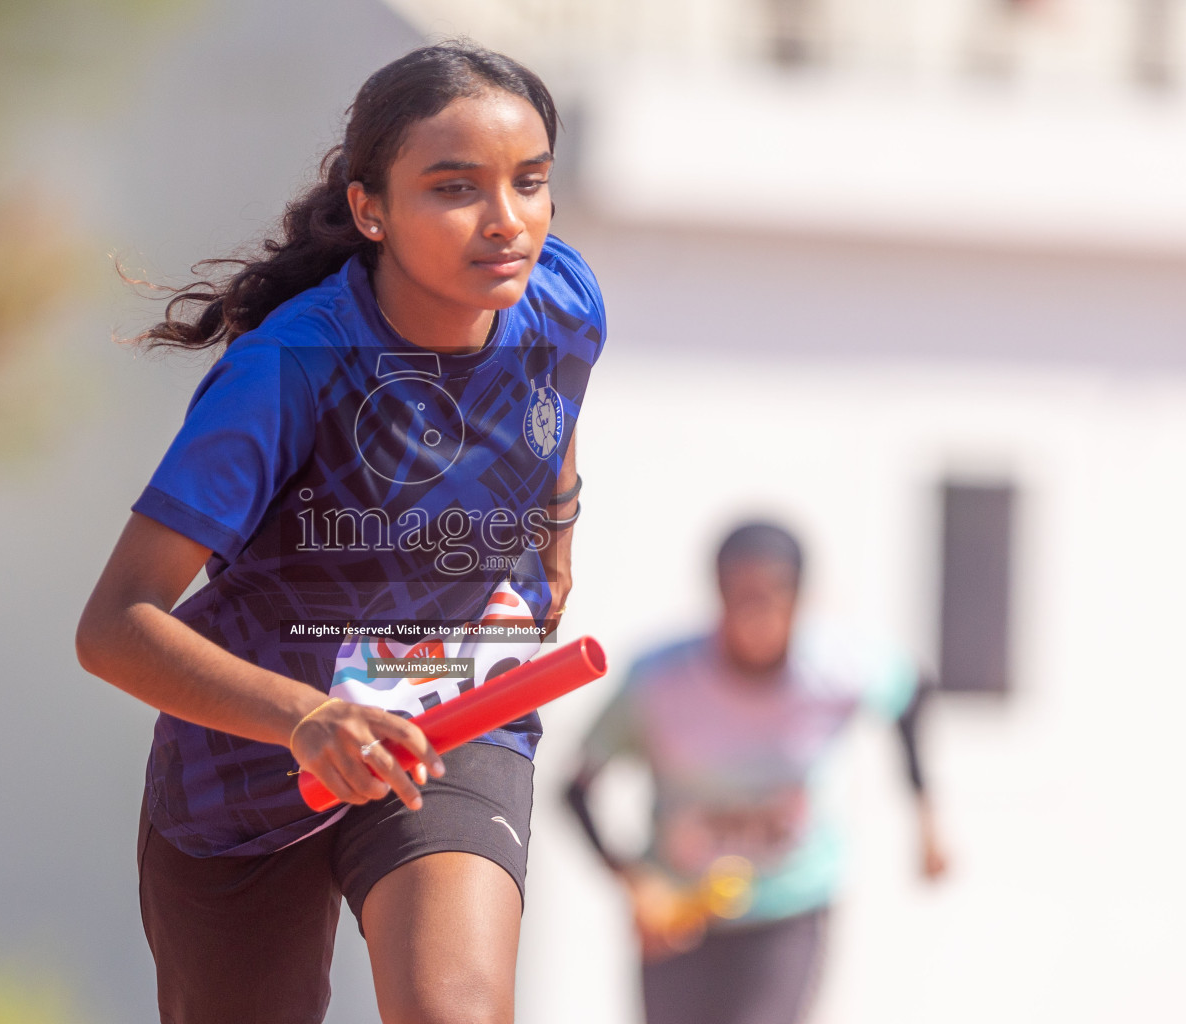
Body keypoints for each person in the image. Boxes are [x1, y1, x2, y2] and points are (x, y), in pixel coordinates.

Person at [75, 42, 606, 1024]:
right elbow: (113, 625)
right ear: (371, 209)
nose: (507, 222)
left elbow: (551, 400)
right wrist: (307, 721)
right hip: (244, 769)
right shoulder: (288, 371)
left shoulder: (561, 300)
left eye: (530, 183)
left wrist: (559, 525)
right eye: (455, 189)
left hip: (451, 716)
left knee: (456, 1011)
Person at [564, 521, 949, 1024]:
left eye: (770, 597)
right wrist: (637, 884)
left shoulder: (836, 666)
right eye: (737, 596)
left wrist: (926, 818)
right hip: (681, 913)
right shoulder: (660, 680)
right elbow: (573, 790)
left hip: (788, 907)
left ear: (799, 599)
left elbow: (911, 691)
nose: (754, 616)